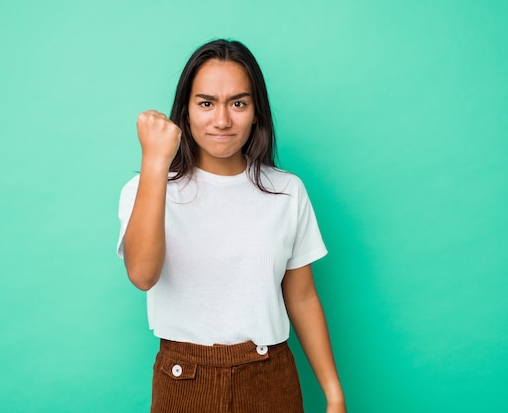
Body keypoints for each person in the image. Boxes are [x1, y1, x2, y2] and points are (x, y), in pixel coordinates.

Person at [117, 39, 346, 413]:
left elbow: (302, 296)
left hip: (270, 378)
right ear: (185, 111)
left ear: (256, 112)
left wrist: (334, 394)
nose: (222, 120)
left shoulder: (287, 191)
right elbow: (142, 274)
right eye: (206, 103)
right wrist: (155, 162)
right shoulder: (146, 188)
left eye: (238, 103)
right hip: (184, 381)